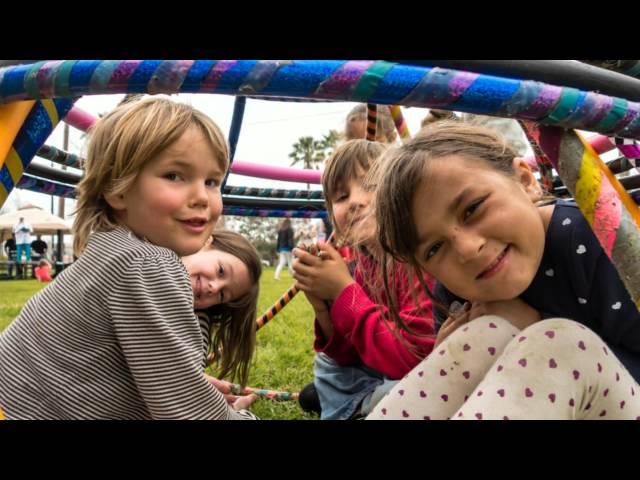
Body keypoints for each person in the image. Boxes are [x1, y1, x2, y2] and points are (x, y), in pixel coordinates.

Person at [0, 96, 257, 419]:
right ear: (117, 188)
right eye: (175, 176)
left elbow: (118, 369)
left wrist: (189, 383)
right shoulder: (146, 263)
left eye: (212, 181)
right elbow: (184, 413)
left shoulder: (111, 248)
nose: (202, 197)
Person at [368, 120, 640, 419]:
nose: (468, 249)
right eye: (434, 249)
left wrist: (534, 323)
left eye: (473, 209)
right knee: (480, 336)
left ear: (525, 180)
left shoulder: (593, 239)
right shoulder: (455, 296)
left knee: (558, 344)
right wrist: (452, 357)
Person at [292, 139, 436, 419]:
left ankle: (358, 405)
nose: (356, 201)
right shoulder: (361, 265)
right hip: (380, 366)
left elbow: (411, 361)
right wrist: (324, 306)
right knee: (327, 364)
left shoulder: (418, 260)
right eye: (342, 196)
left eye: (371, 186)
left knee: (416, 389)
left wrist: (345, 291)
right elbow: (346, 355)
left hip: (417, 371)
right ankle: (361, 403)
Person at [182, 229, 262, 388]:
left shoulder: (195, 326)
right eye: (221, 271)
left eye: (222, 295)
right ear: (206, 242)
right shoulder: (138, 254)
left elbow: (182, 386)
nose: (214, 287)